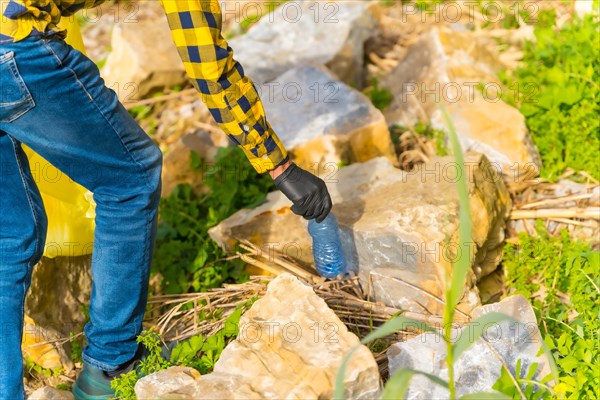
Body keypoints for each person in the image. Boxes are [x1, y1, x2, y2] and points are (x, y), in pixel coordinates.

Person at [0, 0, 332, 398]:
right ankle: (112, 363)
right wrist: (278, 165)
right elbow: (208, 65)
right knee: (131, 178)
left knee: (9, 236)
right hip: (13, 51)